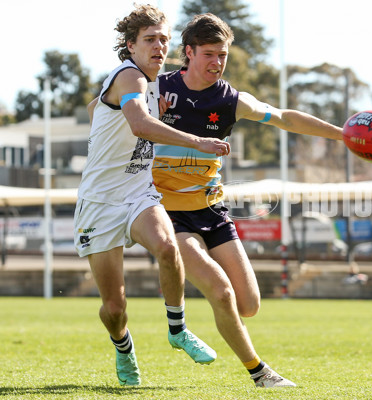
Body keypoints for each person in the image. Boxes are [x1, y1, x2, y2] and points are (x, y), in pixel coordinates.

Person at [153, 13, 343, 388]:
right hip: (165, 211)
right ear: (187, 53)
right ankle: (260, 373)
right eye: (209, 53)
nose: (217, 62)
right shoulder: (154, 88)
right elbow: (102, 110)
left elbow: (285, 117)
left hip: (211, 211)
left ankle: (201, 299)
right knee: (221, 291)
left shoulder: (229, 100)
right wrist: (140, 113)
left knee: (249, 304)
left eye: (223, 55)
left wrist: (344, 135)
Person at [75, 5, 230, 386]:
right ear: (130, 46)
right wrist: (196, 140)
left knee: (166, 247)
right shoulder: (130, 75)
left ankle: (177, 330)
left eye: (163, 39)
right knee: (114, 308)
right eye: (149, 39)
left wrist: (131, 112)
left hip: (139, 192)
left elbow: (97, 107)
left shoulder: (146, 83)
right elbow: (139, 123)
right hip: (99, 202)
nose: (159, 46)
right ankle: (123, 346)